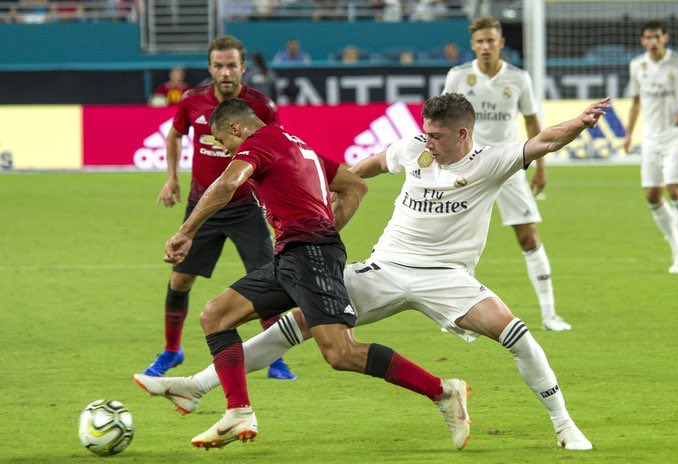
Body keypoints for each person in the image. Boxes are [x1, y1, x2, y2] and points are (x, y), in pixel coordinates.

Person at [135, 93, 608, 451]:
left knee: (517, 335)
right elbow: (371, 166)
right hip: (385, 267)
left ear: (463, 134)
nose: (427, 141)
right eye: (425, 132)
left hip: (447, 278)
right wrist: (329, 192)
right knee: (298, 325)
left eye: (437, 136)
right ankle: (200, 385)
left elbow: (545, 140)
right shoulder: (414, 149)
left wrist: (579, 123)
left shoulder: (492, 161)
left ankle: (564, 425)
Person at [153, 97, 472, 450]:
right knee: (215, 316)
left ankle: (443, 391)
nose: (226, 150)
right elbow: (354, 185)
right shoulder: (294, 143)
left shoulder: (258, 144)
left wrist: (186, 231)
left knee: (341, 354)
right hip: (292, 256)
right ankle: (238, 411)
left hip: (310, 254)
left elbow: (228, 183)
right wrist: (328, 228)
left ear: (235, 128)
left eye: (223, 141)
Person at [143, 35, 296, 381]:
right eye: (218, 66)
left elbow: (278, 151)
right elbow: (174, 135)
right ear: (210, 68)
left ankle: (275, 358)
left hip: (246, 207)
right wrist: (172, 178)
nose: (225, 72)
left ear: (243, 67)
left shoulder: (262, 106)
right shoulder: (192, 101)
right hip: (203, 206)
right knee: (180, 279)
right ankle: (172, 351)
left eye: (231, 65)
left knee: (269, 280)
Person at [442, 15, 571, 331]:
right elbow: (442, 120)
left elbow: (532, 122)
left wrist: (540, 166)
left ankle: (549, 314)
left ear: (500, 43)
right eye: (480, 41)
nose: (486, 46)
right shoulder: (458, 76)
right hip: (469, 168)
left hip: (509, 164)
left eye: (491, 41)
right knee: (456, 241)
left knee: (528, 236)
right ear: (473, 45)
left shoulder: (518, 78)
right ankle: (454, 316)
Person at [624, 20, 678, 274]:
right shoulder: (637, 66)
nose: (653, 42)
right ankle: (677, 248)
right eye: (649, 37)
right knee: (652, 196)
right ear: (642, 41)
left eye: (657, 37)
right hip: (651, 140)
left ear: (665, 38)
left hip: (676, 138)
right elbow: (636, 102)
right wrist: (628, 134)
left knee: (674, 190)